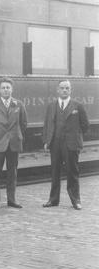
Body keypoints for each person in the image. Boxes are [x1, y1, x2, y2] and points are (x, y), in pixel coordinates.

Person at [42, 80, 89, 210]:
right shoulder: (51, 106)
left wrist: (75, 137)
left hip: (71, 144)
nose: (64, 90)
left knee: (72, 172)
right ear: (58, 90)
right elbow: (47, 124)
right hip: (55, 143)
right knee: (54, 172)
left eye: (67, 88)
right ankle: (53, 200)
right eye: (62, 88)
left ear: (70, 90)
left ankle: (76, 200)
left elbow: (85, 125)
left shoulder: (77, 106)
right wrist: (46, 140)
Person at [0, 77, 27, 210]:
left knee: (12, 172)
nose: (6, 90)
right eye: (3, 87)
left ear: (12, 89)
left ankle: (11, 199)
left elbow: (23, 123)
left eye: (8, 87)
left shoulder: (18, 104)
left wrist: (14, 135)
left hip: (13, 143)